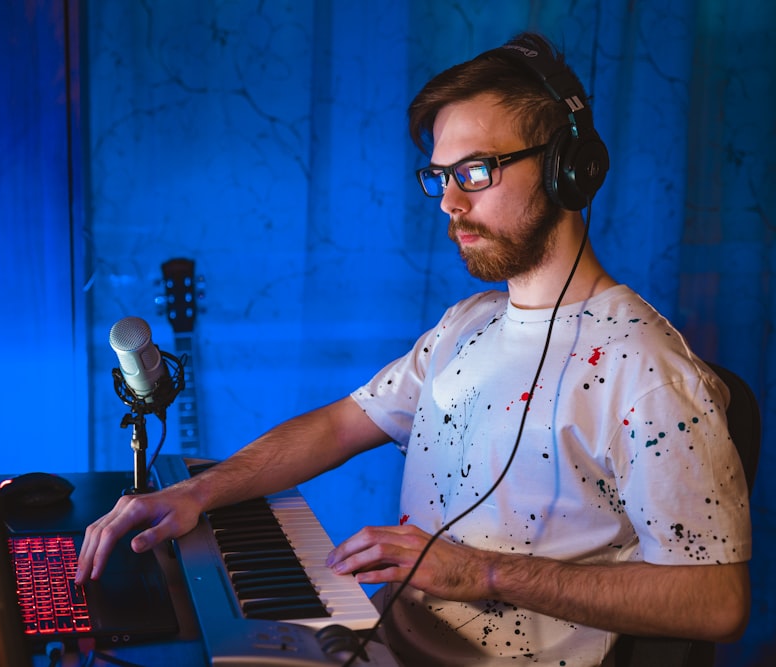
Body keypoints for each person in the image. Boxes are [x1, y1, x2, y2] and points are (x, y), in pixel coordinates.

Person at [76, 32, 752, 665]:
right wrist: (199, 490)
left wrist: (478, 571)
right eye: (439, 176)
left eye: (476, 171)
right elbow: (344, 421)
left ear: (564, 170)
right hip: (385, 639)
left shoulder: (649, 372)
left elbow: (717, 602)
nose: (448, 203)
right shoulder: (468, 323)